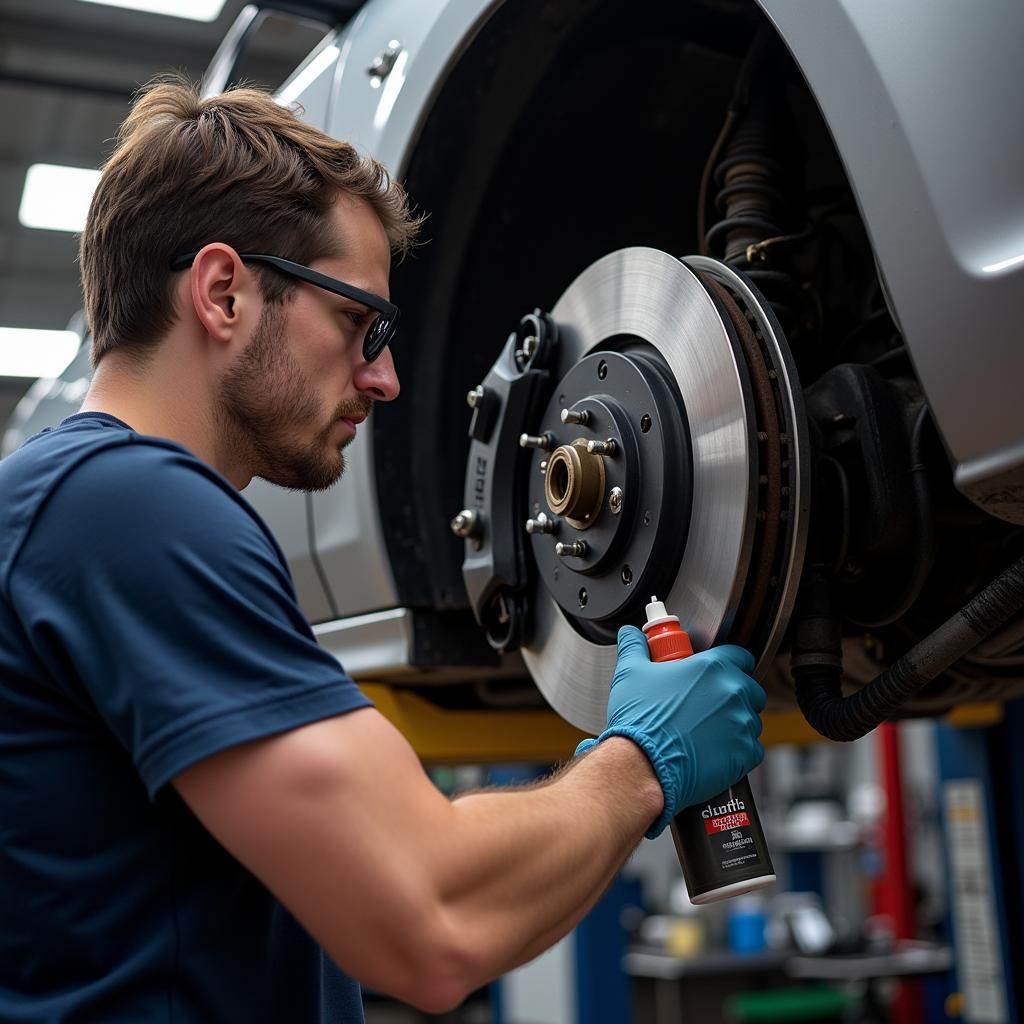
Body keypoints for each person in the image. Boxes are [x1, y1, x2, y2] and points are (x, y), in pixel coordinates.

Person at [0, 81, 766, 1022]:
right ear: (223, 292)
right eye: (361, 324)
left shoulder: (67, 505)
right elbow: (432, 921)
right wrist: (643, 760)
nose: (388, 378)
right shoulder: (128, 507)